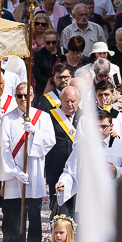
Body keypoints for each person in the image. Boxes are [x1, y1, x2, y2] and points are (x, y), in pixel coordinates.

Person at [0, 83, 55, 242]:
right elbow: (3, 148)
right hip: (16, 174)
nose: (23, 99)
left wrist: (35, 133)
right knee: (15, 215)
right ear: (15, 97)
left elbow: (50, 142)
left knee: (35, 214)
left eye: (26, 95)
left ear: (32, 96)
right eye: (19, 96)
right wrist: (14, 171)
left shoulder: (43, 117)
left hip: (35, 173)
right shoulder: (7, 119)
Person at [44, 87, 79, 215]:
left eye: (73, 101)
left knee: (77, 209)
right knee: (58, 208)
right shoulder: (50, 116)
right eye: (66, 101)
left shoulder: (86, 117)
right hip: (56, 169)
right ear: (60, 100)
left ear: (79, 101)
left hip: (77, 169)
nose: (70, 104)